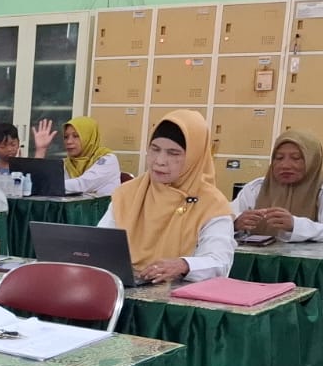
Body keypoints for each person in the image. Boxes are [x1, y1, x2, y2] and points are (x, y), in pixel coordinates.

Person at [97, 109, 234, 283]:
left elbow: (219, 262)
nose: (160, 160)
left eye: (173, 153)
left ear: (194, 157)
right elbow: (100, 244)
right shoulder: (127, 193)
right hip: (126, 289)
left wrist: (183, 265)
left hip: (179, 300)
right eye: (154, 149)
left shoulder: (212, 203)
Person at [233, 130, 323, 243]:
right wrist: (236, 223)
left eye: (296, 158)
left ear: (312, 160)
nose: (285, 165)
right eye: (279, 158)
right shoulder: (257, 188)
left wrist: (296, 226)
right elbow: (224, 218)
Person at [31, 117, 122, 196]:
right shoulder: (67, 163)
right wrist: (41, 150)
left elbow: (83, 185)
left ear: (89, 137)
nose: (69, 141)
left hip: (102, 214)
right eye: (66, 137)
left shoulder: (108, 160)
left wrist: (46, 185)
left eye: (76, 136)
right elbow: (37, 180)